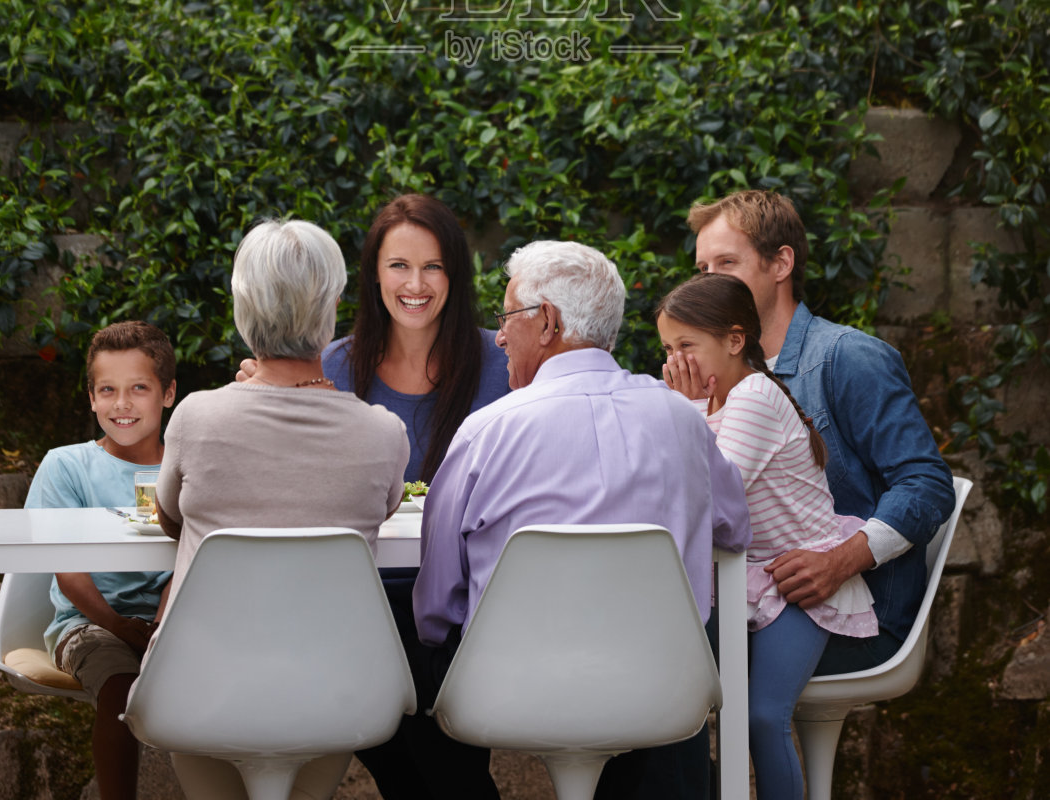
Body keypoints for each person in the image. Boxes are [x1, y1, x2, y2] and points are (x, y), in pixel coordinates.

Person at [359, 239, 751, 800]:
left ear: (546, 323)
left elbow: (436, 605)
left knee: (399, 643)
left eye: (508, 317)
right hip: (661, 687)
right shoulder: (679, 420)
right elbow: (735, 532)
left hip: (506, 688)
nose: (497, 336)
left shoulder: (486, 432)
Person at [153, 218, 410, 800]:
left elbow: (171, 515)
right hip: (338, 690)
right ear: (333, 307)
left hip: (200, 689)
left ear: (244, 307)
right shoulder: (384, 433)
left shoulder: (196, 417)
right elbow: (385, 507)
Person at [688, 188, 956, 673]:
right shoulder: (715, 374)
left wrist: (840, 562)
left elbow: (927, 485)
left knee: (670, 646)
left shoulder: (847, 358)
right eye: (702, 270)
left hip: (856, 615)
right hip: (753, 601)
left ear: (781, 263)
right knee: (654, 626)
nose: (709, 283)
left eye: (726, 263)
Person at [659, 274, 877, 800]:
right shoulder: (715, 400)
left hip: (801, 581)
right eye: (668, 349)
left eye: (688, 346)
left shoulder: (753, 396)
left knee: (761, 715)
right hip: (747, 580)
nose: (677, 363)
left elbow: (709, 498)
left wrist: (681, 409)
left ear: (735, 341)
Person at [24, 320, 177, 800]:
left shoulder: (189, 466)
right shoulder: (66, 465)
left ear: (168, 393)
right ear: (91, 397)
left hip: (177, 619)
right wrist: (116, 623)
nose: (122, 404)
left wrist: (160, 623)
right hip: (88, 624)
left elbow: (195, 555)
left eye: (139, 388)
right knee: (119, 685)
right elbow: (67, 570)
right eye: (107, 390)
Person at [321, 193, 510, 483]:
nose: (416, 284)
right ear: (375, 272)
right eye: (399, 265)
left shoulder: (508, 361)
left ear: (454, 274)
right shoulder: (328, 369)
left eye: (433, 266)